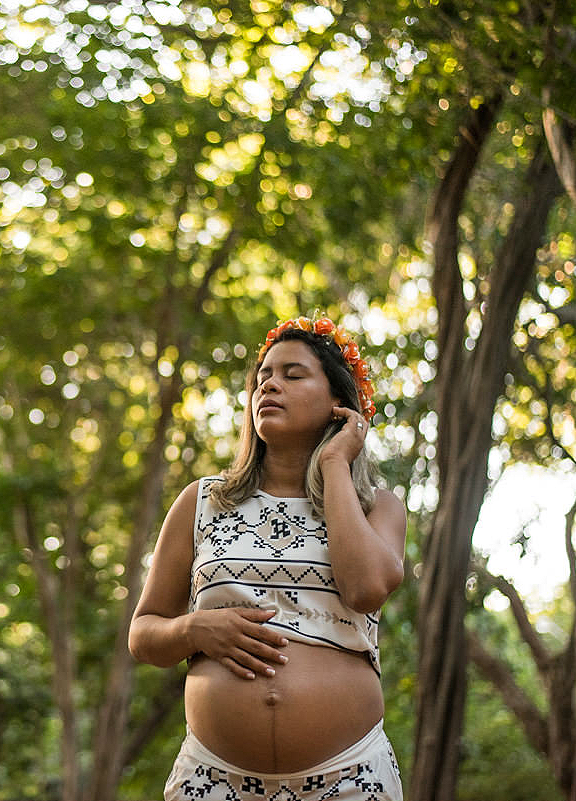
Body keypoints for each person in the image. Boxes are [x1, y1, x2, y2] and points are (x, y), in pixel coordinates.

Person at [129, 315, 407, 801]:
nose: (269, 385)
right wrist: (194, 630)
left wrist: (335, 464)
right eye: (264, 377)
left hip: (350, 776)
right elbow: (143, 633)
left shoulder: (375, 507)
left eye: (292, 374)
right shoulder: (202, 502)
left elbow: (365, 589)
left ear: (339, 405)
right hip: (213, 778)